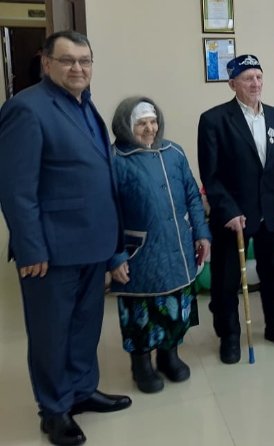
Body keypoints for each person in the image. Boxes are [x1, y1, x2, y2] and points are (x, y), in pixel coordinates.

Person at [0, 30, 131, 446]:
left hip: (93, 243)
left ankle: (81, 390)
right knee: (51, 333)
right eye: (68, 60)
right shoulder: (26, 109)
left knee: (85, 326)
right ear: (46, 63)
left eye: (85, 60)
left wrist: (113, 243)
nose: (78, 68)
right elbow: (16, 190)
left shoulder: (86, 105)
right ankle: (54, 409)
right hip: (52, 250)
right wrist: (30, 247)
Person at [198, 54, 274, 363]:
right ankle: (229, 336)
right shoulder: (214, 120)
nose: (255, 83)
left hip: (272, 215)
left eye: (258, 77)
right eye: (247, 79)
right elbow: (210, 175)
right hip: (233, 217)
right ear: (232, 84)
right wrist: (228, 210)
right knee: (226, 281)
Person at [107, 96, 211, 393]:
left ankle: (169, 356)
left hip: (177, 245)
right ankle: (141, 364)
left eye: (153, 121)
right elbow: (105, 213)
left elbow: (192, 196)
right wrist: (115, 256)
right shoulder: (114, 160)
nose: (150, 128)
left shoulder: (174, 152)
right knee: (141, 311)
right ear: (126, 126)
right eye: (141, 123)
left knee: (175, 307)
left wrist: (201, 233)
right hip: (139, 252)